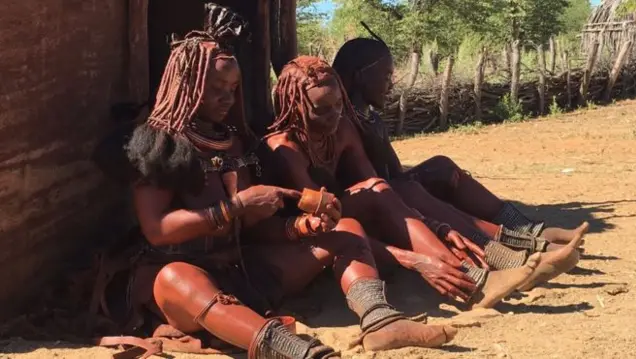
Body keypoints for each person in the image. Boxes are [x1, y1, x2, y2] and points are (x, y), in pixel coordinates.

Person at [93, 6, 459, 358]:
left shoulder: (235, 143)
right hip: (177, 281)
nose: (227, 98)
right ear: (187, 85)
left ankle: (381, 320)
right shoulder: (158, 144)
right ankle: (295, 351)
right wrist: (236, 206)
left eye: (233, 88)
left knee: (345, 229)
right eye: (216, 87)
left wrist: (298, 228)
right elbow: (158, 230)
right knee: (177, 278)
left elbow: (253, 228)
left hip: (241, 270)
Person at [264, 56, 548, 309]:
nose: (335, 114)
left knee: (394, 186)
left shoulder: (343, 129)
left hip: (354, 214)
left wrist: (437, 226)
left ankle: (503, 253)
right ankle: (472, 277)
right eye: (321, 109)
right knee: (381, 190)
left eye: (339, 104)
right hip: (313, 236)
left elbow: (378, 185)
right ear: (295, 107)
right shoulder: (285, 150)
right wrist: (417, 261)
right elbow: (324, 227)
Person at [331, 31, 589, 247]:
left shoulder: (371, 120)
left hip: (392, 195)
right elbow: (372, 184)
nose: (391, 85)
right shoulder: (340, 123)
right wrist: (409, 184)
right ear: (360, 74)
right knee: (410, 190)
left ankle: (525, 227)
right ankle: (503, 243)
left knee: (441, 166)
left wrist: (428, 175)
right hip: (373, 212)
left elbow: (394, 173)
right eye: (386, 77)